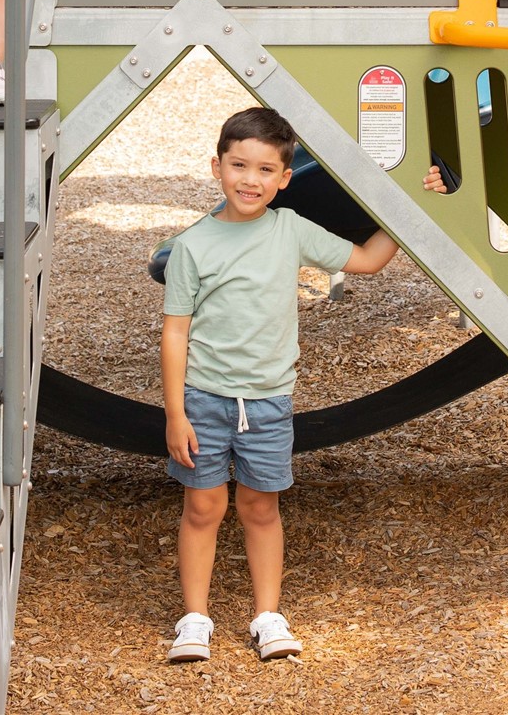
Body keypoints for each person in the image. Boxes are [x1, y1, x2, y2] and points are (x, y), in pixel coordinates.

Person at [161, 108, 399, 664]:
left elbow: (366, 259)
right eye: (239, 165)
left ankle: (267, 616)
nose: (251, 180)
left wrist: (415, 208)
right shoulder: (192, 247)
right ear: (216, 167)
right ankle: (194, 619)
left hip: (268, 402)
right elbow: (176, 334)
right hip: (204, 399)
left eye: (266, 169)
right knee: (202, 507)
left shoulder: (290, 229)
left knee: (261, 508)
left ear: (285, 178)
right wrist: (176, 414)